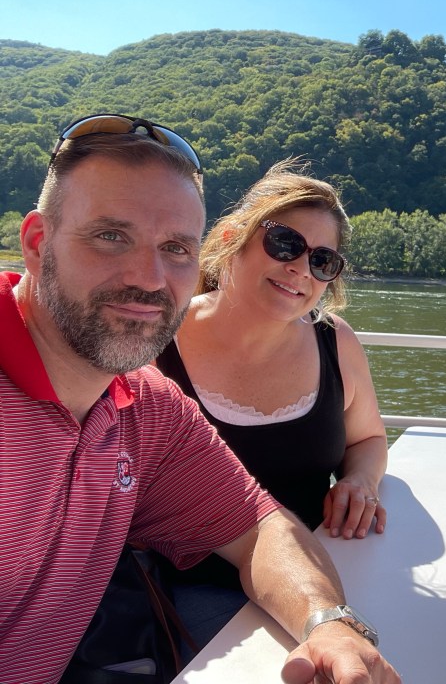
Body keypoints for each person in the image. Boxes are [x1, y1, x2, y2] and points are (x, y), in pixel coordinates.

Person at [0, 114, 399, 684]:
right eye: (111, 236)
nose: (149, 277)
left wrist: (328, 623)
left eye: (176, 247)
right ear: (38, 243)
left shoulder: (148, 407)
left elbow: (261, 529)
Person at [154, 159, 389, 646]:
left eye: (322, 261)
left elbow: (367, 437)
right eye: (285, 244)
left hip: (317, 572)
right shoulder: (156, 338)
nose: (300, 268)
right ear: (231, 239)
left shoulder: (335, 342)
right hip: (179, 590)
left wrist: (360, 480)